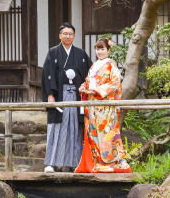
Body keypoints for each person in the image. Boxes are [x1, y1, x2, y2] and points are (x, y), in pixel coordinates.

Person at [41, 23, 92, 173]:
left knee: (74, 129)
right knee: (56, 128)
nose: (67, 36)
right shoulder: (53, 52)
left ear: (74, 36)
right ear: (59, 35)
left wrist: (86, 87)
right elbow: (47, 74)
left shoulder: (81, 54)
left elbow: (90, 73)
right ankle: (51, 163)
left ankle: (74, 163)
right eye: (65, 33)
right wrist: (50, 94)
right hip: (59, 96)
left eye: (70, 34)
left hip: (76, 96)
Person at [75, 37, 131, 173]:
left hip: (105, 106)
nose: (100, 52)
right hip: (93, 105)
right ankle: (97, 162)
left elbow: (115, 83)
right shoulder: (94, 65)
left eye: (102, 49)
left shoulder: (112, 65)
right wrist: (84, 86)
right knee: (93, 132)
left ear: (108, 50)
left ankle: (112, 162)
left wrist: (96, 91)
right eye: (97, 49)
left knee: (107, 133)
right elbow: (88, 81)